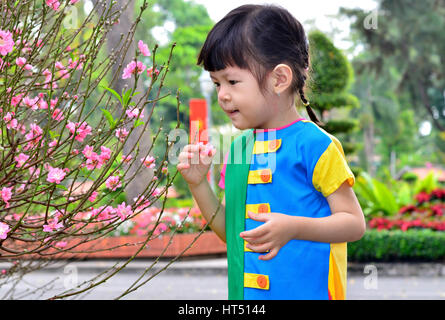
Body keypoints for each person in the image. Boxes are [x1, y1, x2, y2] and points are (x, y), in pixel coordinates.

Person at [177, 4, 365, 300]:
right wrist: (198, 184)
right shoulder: (239, 147)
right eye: (216, 83)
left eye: (232, 81)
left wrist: (294, 227)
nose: (222, 95)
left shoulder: (315, 144)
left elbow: (354, 224)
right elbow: (233, 234)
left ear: (279, 79)